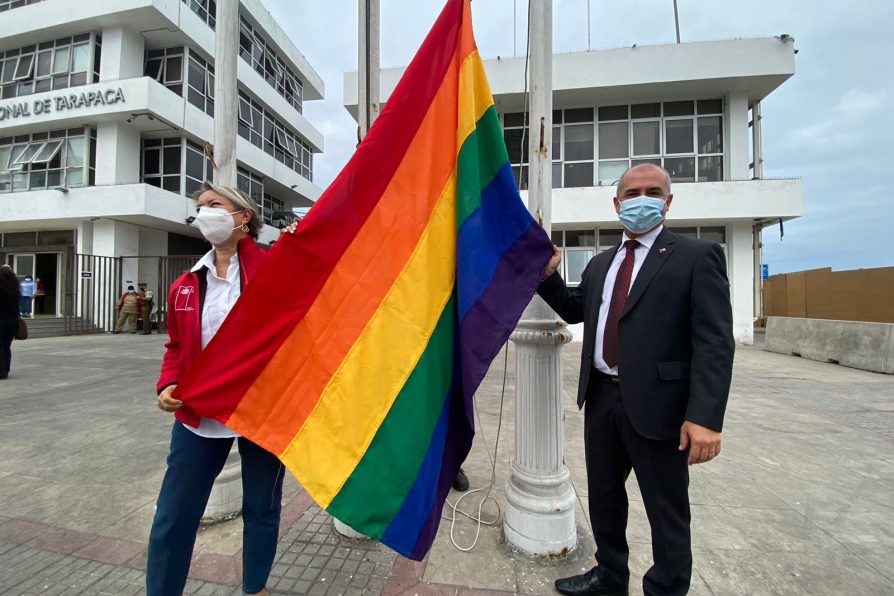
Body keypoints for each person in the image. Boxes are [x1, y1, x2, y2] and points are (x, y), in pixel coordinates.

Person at [538, 164, 734, 596]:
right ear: (617, 203)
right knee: (605, 500)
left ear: (667, 202)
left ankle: (665, 587)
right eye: (631, 193)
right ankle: (609, 577)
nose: (639, 199)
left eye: (651, 191)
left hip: (661, 408)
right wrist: (549, 275)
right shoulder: (602, 264)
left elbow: (715, 342)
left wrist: (704, 417)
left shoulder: (697, 256)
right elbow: (575, 310)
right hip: (603, 401)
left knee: (666, 510)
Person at [147, 183, 290, 596]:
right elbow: (175, 346)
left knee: (261, 507)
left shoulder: (275, 269)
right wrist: (168, 382)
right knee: (173, 515)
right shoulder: (186, 285)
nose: (204, 212)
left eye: (214, 205)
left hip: (260, 411)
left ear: (243, 217)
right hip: (198, 415)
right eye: (199, 207)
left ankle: (255, 586)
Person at [0, 265, 21, 380]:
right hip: (12, 322)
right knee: (6, 346)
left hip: (1, 320)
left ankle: (2, 372)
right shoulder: (15, 289)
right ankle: (5, 369)